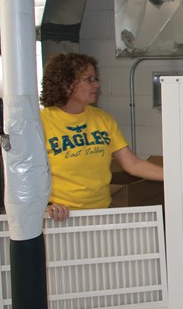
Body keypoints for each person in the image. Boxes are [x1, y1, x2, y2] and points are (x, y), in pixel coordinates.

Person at [39, 52, 163, 221]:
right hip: (61, 216)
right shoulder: (41, 123)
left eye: (95, 78)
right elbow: (28, 176)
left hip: (100, 212)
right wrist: (46, 206)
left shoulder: (102, 119)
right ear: (66, 83)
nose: (96, 84)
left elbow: (132, 164)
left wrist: (175, 176)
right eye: (89, 79)